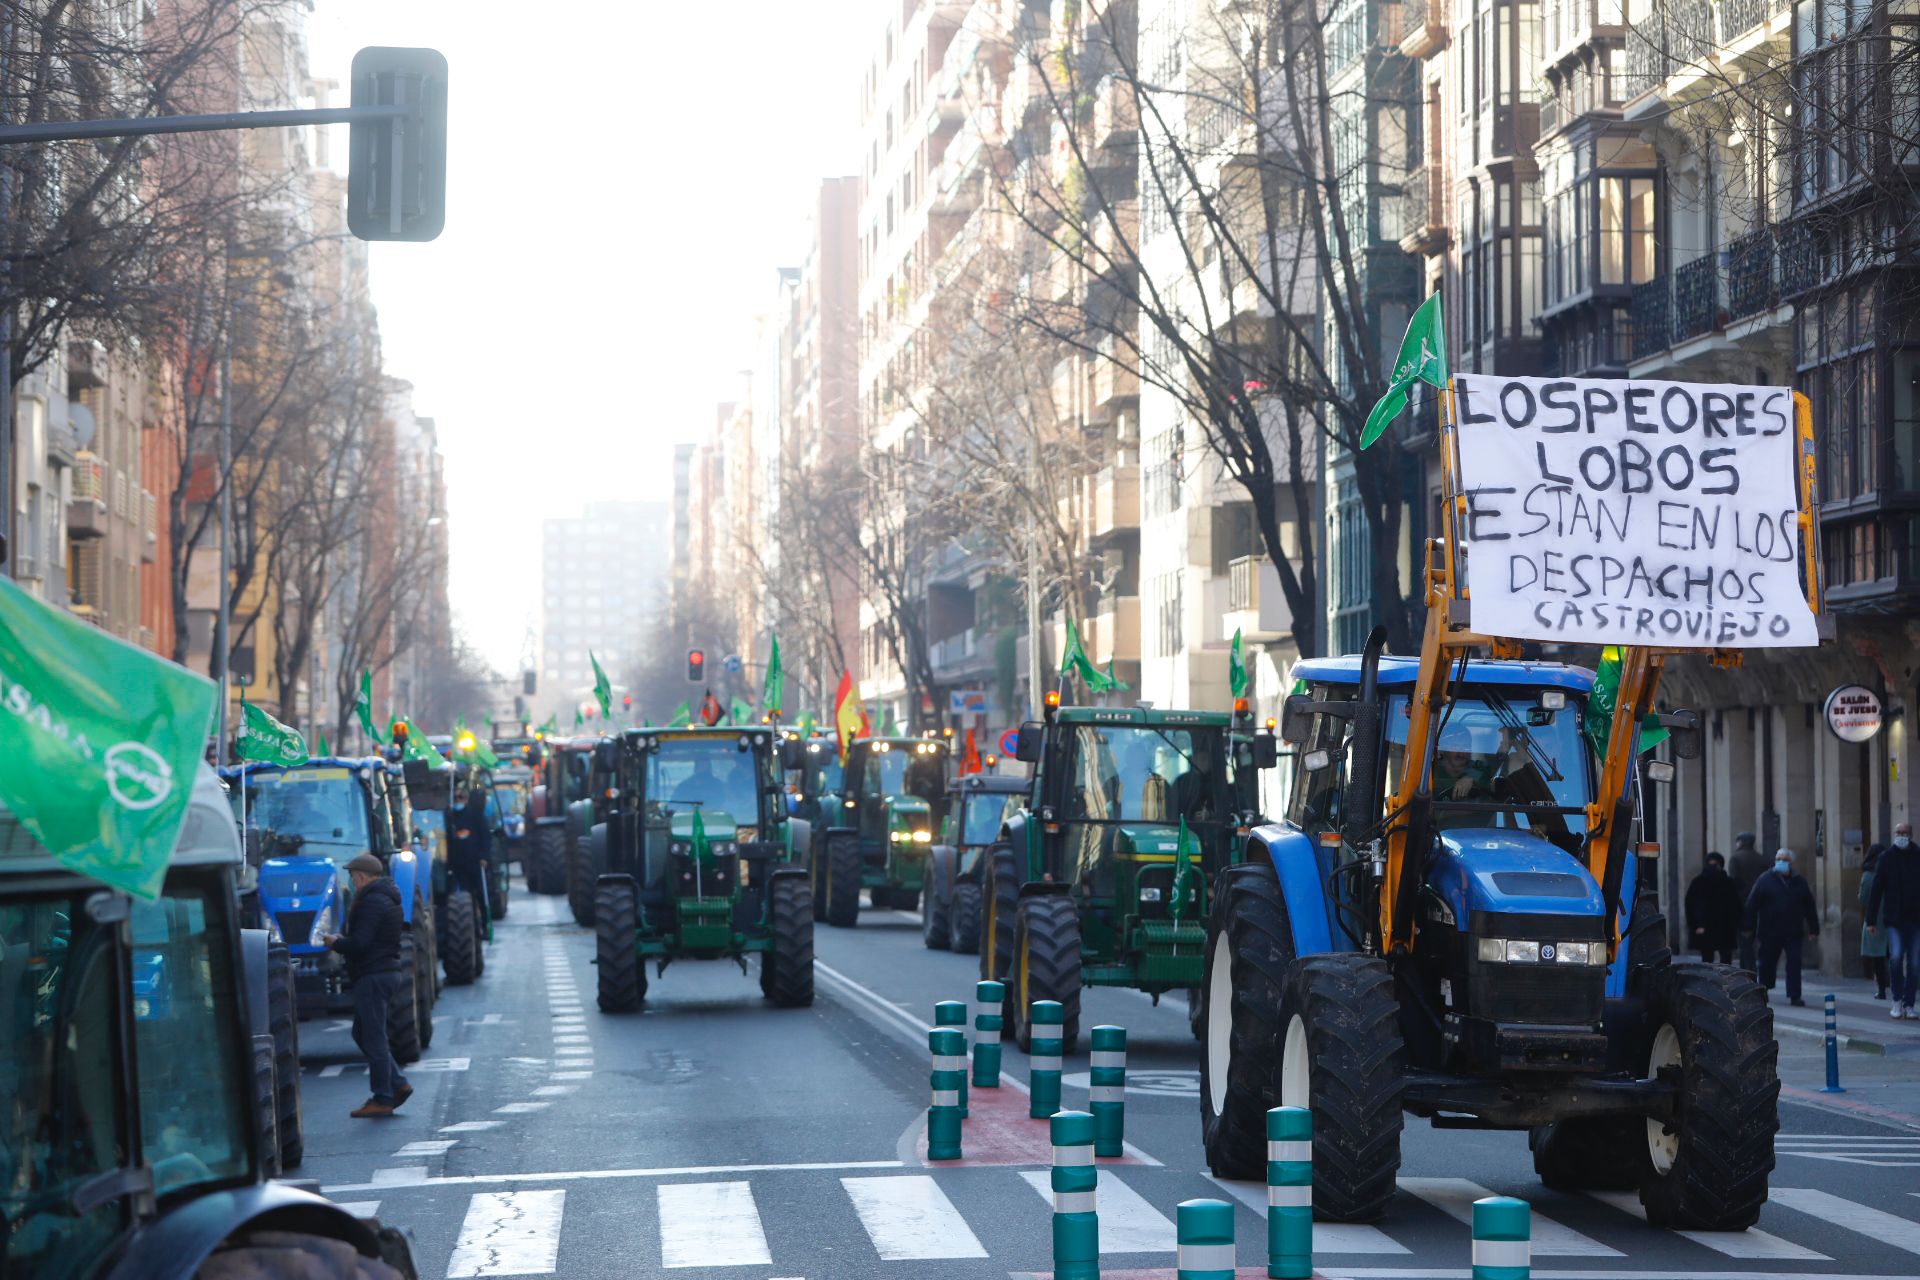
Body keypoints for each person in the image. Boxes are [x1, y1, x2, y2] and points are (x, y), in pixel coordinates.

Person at [324, 853, 412, 1117]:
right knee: (362, 1034)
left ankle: (383, 1097)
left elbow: (360, 943)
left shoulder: (372, 902)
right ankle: (397, 1084)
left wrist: (336, 943)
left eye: (352, 877)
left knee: (373, 1038)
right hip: (382, 972)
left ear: (361, 877)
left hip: (373, 975)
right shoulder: (385, 897)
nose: (351, 881)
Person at [1744, 847, 1820, 1006]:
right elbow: (1752, 904)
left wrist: (1814, 928)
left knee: (1794, 962)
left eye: (1784, 860)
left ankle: (1795, 995)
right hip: (1769, 930)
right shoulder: (1765, 879)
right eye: (1779, 859)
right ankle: (1764, 990)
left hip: (1793, 931)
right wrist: (1748, 926)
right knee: (1767, 963)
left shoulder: (1799, 881)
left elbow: (1809, 905)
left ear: (1791, 863)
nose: (1781, 862)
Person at [1866, 821, 1920, 1019]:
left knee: (1914, 963)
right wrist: (1870, 921)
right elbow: (1876, 890)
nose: (1902, 835)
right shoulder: (1886, 858)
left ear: (1911, 834)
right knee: (1896, 957)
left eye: (1905, 832)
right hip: (1894, 920)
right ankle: (1897, 999)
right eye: (1898, 832)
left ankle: (1909, 1003)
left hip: (1915, 920)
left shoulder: (1917, 856)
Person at [1684, 851, 1742, 963]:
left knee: (1725, 959)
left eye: (1715, 864)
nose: (1712, 867)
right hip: (1705, 927)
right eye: (1710, 864)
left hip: (1725, 928)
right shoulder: (1698, 882)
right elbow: (1690, 905)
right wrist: (1696, 925)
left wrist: (1735, 923)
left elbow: (1735, 905)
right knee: (1707, 959)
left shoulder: (1727, 883)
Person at [448, 791, 493, 915]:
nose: (458, 800)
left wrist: (484, 856)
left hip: (476, 863)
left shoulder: (476, 815)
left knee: (481, 894)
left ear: (467, 799)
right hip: (459, 864)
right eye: (455, 798)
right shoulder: (450, 817)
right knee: (463, 896)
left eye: (461, 797)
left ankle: (485, 922)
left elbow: (486, 837)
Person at [1727, 831, 1766, 970]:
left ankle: (1747, 969)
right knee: (1755, 937)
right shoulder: (1761, 859)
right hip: (1760, 903)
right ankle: (1752, 967)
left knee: (1744, 941)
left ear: (1741, 842)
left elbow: (1734, 880)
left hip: (1742, 903)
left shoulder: (1735, 858)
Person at [1859, 843, 1890, 999]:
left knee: (1878, 957)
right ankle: (1895, 984)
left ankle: (1882, 989)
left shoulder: (1867, 875)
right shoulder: (1890, 872)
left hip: (1874, 920)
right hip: (1890, 917)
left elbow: (1863, 898)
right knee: (1892, 954)